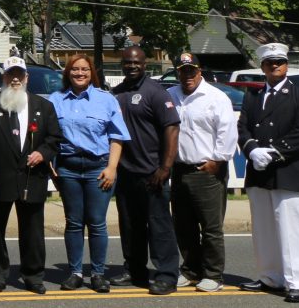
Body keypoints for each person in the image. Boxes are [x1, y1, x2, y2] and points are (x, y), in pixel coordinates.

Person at [0, 56, 63, 295]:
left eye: (19, 75)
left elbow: (54, 139)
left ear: (26, 77)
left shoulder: (43, 106)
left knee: (33, 231)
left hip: (31, 178)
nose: (15, 79)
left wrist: (42, 154)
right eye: (10, 75)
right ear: (3, 78)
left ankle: (33, 275)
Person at [238, 42, 299, 304]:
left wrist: (271, 153)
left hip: (287, 170)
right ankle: (270, 277)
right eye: (269, 63)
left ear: (286, 65)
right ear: (262, 67)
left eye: (279, 62)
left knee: (292, 229)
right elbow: (243, 129)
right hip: (258, 171)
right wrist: (251, 150)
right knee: (263, 228)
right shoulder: (253, 97)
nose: (275, 66)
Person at [49, 54, 129, 293]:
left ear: (91, 72)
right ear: (67, 73)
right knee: (73, 222)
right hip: (68, 168)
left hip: (98, 168)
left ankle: (97, 273)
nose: (80, 73)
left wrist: (112, 167)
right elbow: (48, 134)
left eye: (84, 69)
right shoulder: (55, 100)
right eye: (75, 69)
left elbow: (117, 136)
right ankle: (74, 272)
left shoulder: (106, 100)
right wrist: (50, 161)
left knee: (96, 222)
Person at [111, 45, 181, 295]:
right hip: (126, 173)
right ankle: (135, 269)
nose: (131, 66)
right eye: (127, 63)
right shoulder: (116, 93)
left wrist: (165, 167)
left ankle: (166, 275)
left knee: (159, 226)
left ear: (145, 65)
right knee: (130, 226)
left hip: (153, 173)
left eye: (136, 63)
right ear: (122, 65)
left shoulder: (156, 92)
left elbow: (171, 129)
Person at [169, 52, 237, 293]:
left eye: (191, 70)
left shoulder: (216, 97)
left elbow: (227, 132)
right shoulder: (170, 95)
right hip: (179, 169)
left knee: (210, 227)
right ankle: (190, 270)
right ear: (178, 72)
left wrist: (217, 161)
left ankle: (213, 274)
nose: (187, 75)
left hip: (206, 170)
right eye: (183, 70)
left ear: (200, 71)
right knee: (183, 225)